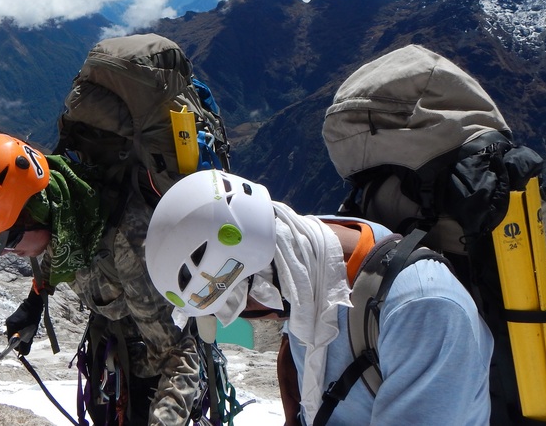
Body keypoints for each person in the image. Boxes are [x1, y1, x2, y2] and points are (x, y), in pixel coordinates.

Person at [144, 169, 494, 426]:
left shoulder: (422, 310)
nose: (253, 321)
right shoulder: (307, 270)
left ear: (259, 281)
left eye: (238, 311)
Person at [0, 133, 201, 426]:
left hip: (150, 369)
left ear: (34, 212)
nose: (10, 253)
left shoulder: (128, 243)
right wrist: (34, 302)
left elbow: (179, 354)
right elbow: (54, 251)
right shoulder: (64, 211)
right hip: (111, 352)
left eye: (10, 239)